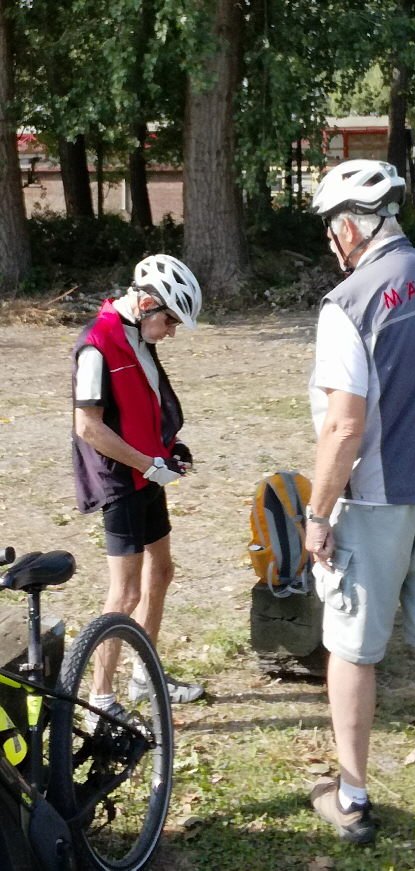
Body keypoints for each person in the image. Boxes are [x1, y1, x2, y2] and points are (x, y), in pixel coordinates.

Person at [304, 159, 415, 845]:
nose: (330, 242)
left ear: (350, 228)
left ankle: (352, 797)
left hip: (377, 499)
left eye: (329, 229)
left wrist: (318, 514)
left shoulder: (347, 304)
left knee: (352, 649)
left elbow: (343, 426)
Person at [72, 254, 206, 720]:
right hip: (120, 480)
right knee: (125, 594)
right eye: (170, 321)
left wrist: (170, 448)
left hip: (147, 472)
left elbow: (141, 407)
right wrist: (148, 466)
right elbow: (88, 428)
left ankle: (144, 677)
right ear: (147, 303)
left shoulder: (138, 336)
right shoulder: (96, 344)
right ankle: (100, 702)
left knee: (161, 572)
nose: (170, 332)